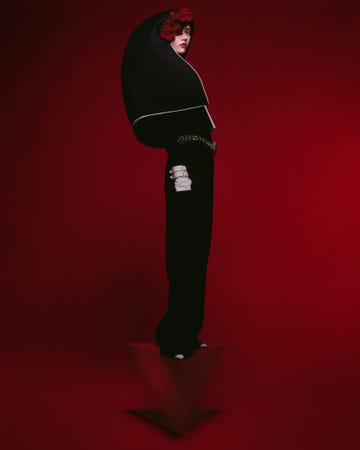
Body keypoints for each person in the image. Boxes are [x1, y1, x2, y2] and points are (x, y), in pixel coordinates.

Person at [121, 8, 216, 360]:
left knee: (198, 251)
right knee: (184, 249)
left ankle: (186, 334)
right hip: (185, 172)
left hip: (202, 170)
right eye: (178, 32)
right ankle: (174, 337)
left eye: (189, 32)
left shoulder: (182, 80)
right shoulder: (167, 83)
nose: (186, 38)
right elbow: (175, 143)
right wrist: (181, 176)